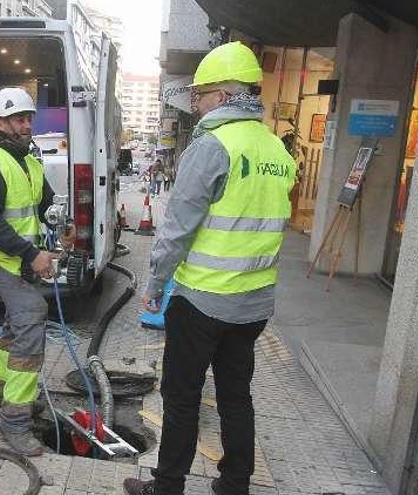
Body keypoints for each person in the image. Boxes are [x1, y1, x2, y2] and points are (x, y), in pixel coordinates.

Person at [123, 41, 295, 495]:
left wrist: (156, 283)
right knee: (236, 396)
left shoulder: (212, 146)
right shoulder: (277, 150)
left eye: (200, 94)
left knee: (180, 399)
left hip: (201, 300)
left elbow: (178, 228)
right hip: (254, 304)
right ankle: (235, 483)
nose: (194, 103)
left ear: (222, 96)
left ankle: (167, 487)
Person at [0, 87, 72, 456]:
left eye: (28, 118)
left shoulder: (29, 161)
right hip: (0, 258)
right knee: (31, 317)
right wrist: (32, 254)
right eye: (18, 119)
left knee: (15, 325)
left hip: (19, 258)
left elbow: (43, 206)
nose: (27, 125)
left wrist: (61, 230)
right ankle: (14, 419)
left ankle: (1, 394)